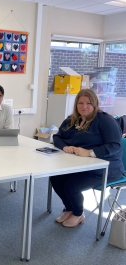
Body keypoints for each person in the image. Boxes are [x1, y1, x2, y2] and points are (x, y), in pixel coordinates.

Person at [51, 89, 125, 228]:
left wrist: (90, 152)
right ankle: (70, 209)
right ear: (76, 104)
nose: (84, 106)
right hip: (81, 165)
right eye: (81, 103)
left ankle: (79, 214)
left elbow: (115, 146)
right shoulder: (72, 120)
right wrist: (65, 147)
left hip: (107, 168)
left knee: (71, 185)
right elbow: (57, 137)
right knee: (55, 178)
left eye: (88, 103)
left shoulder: (105, 120)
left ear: (95, 104)